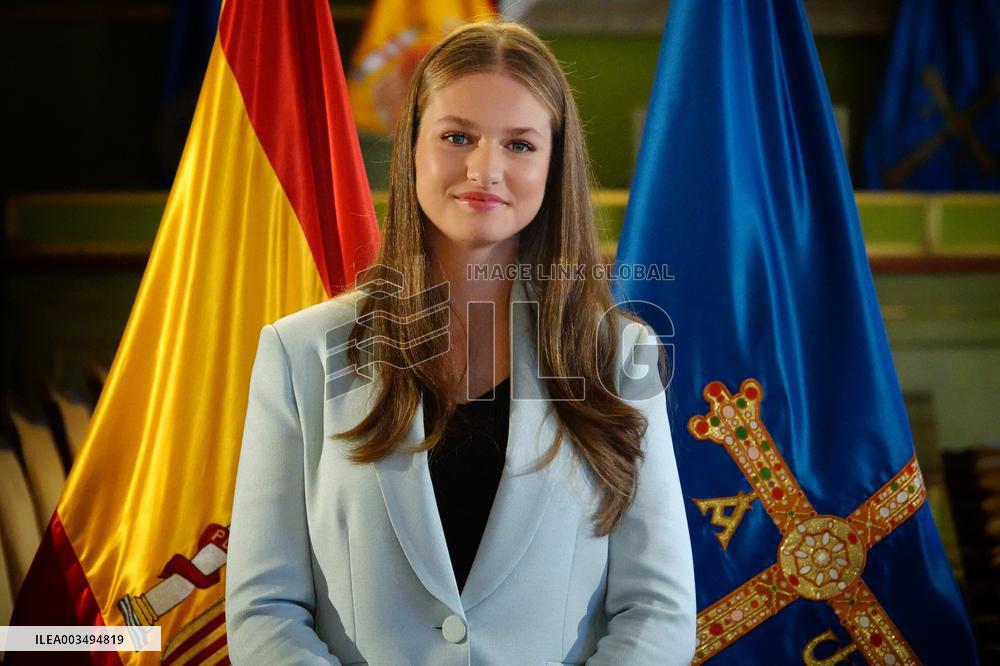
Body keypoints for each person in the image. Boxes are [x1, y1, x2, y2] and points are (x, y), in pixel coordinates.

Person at [226, 20, 695, 665]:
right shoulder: (299, 351)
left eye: (521, 145)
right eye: (457, 136)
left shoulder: (620, 355)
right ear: (412, 148)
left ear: (555, 167)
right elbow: (264, 609)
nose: (485, 169)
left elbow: (658, 611)